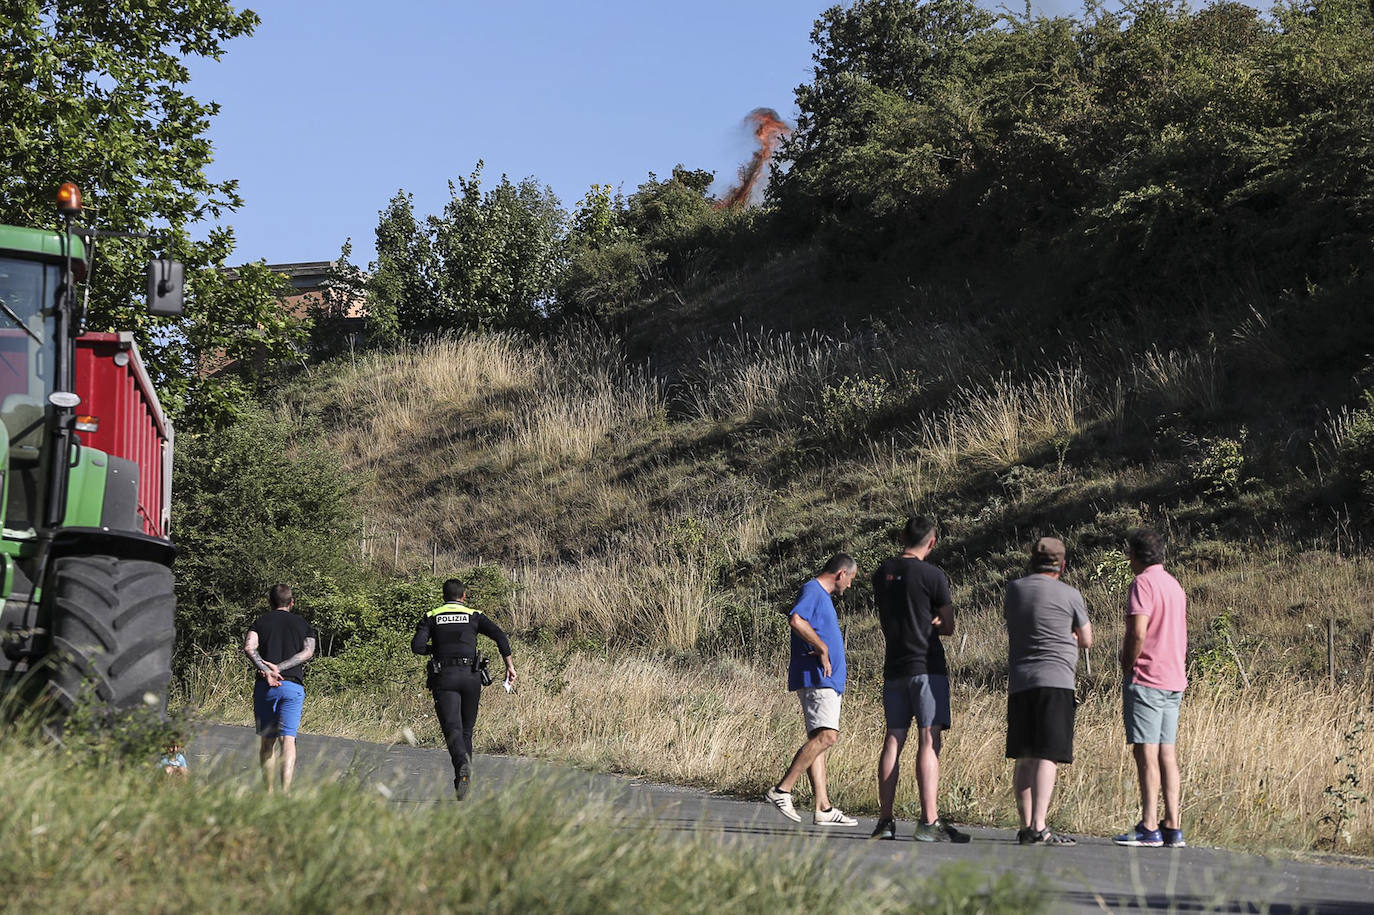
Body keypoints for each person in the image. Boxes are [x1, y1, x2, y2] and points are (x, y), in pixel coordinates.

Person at [870, 516, 969, 843]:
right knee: (929, 739)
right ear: (933, 541)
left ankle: (885, 820)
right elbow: (949, 626)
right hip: (926, 664)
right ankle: (929, 820)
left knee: (894, 739)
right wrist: (937, 621)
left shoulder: (882, 573)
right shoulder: (933, 575)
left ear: (902, 537)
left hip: (894, 664)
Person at [1004, 537, 1093, 846]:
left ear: (1032, 560)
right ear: (1062, 564)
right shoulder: (1071, 594)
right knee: (1047, 756)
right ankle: (1041, 825)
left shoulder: (1014, 590)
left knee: (1024, 756)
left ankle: (1025, 825)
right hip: (1056, 681)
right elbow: (1087, 639)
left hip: (1021, 681)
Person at [763, 554, 860, 828]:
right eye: (850, 579)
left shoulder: (821, 596)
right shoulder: (813, 590)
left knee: (819, 739)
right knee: (828, 737)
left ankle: (823, 807)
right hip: (818, 677)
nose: (849, 586)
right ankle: (782, 790)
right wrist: (822, 648)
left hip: (824, 679)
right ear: (841, 573)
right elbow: (796, 620)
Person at [1114, 528, 1189, 848]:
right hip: (1174, 678)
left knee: (1145, 752)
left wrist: (1127, 662)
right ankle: (1172, 825)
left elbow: (1138, 632)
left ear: (1135, 555)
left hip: (1147, 677)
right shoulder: (1174, 585)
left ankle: (1148, 825)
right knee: (1167, 754)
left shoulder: (1142, 584)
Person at [412, 578, 516, 800]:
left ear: (444, 596)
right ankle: (464, 780)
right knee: (466, 730)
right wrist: (509, 666)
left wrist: (437, 648)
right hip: (471, 677)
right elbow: (500, 635)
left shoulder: (432, 616)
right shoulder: (475, 615)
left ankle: (462, 768)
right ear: (464, 596)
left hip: (445, 678)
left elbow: (417, 647)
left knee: (453, 730)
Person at [243, 583, 316, 793]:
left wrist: (267, 670)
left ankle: (268, 792)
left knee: (267, 743)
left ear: (270, 602)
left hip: (266, 688)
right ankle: (285, 793)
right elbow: (308, 652)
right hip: (292, 687)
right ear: (292, 602)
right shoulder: (302, 624)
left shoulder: (260, 622)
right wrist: (281, 668)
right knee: (288, 740)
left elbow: (249, 648)